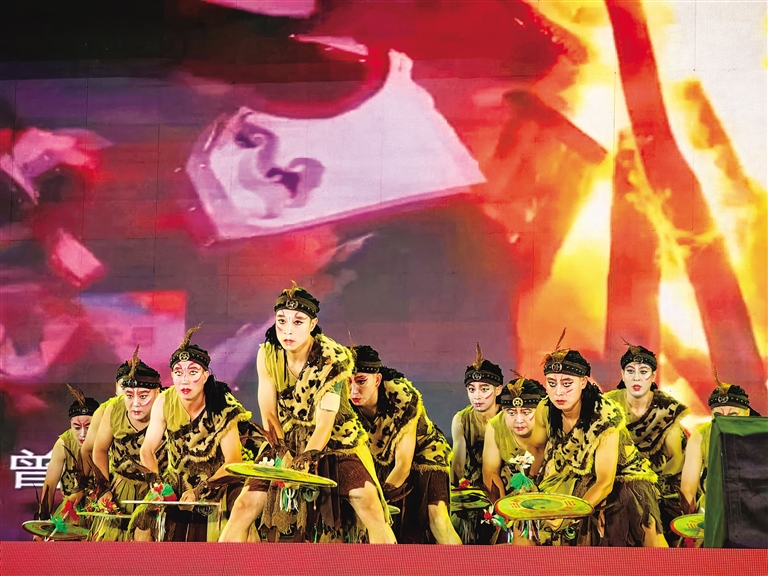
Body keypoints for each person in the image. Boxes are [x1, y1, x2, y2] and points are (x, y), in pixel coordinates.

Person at [220, 284, 396, 544]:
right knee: (244, 505)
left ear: (313, 324)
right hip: (285, 437)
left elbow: (325, 424)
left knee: (369, 504)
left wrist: (305, 459)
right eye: (281, 321)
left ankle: (390, 564)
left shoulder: (333, 359)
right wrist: (282, 452)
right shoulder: (267, 354)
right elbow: (268, 412)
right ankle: (220, 564)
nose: (288, 330)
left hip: (336, 439)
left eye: (298, 321)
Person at [527, 335, 666, 547]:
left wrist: (568, 515)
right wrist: (528, 483)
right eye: (552, 383)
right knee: (526, 520)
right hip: (572, 473)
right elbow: (537, 449)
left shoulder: (605, 416)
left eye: (567, 384)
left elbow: (605, 482)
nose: (558, 392)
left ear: (583, 382)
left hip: (623, 477)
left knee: (642, 519)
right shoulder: (545, 408)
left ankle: (666, 563)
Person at [134, 325, 251, 541]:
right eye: (179, 373)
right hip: (176, 480)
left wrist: (200, 489)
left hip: (218, 481)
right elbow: (147, 450)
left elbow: (233, 461)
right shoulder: (164, 401)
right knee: (142, 526)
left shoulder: (223, 404)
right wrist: (158, 486)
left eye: (193, 372)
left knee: (240, 525)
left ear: (205, 376)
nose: (185, 380)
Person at [349, 344, 460, 544]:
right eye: (348, 382)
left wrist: (379, 500)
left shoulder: (402, 398)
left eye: (361, 381)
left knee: (438, 518)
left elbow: (403, 465)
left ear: (377, 380)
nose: (353, 390)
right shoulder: (343, 401)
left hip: (426, 453)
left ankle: (463, 563)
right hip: (381, 459)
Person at [604, 342, 688, 545]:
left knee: (643, 499)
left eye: (643, 372)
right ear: (622, 374)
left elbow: (675, 459)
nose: (636, 378)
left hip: (658, 478)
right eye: (630, 371)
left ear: (653, 376)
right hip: (612, 474)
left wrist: (653, 486)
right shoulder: (607, 404)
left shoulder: (666, 408)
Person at [91, 349, 164, 541]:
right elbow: (99, 450)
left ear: (157, 392)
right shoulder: (114, 409)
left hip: (159, 488)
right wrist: (104, 488)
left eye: (143, 396)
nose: (135, 404)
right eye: (129, 395)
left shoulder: (169, 408)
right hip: (121, 488)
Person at [680, 372, 755, 515]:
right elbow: (688, 488)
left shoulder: (758, 434)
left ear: (747, 413)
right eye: (718, 416)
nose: (724, 421)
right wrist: (690, 517)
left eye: (733, 415)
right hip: (711, 512)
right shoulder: (700, 436)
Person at [39, 385, 100, 522]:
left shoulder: (108, 440)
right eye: (77, 427)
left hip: (103, 511)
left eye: (89, 427)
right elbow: (50, 485)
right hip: (71, 509)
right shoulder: (64, 443)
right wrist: (42, 520)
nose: (82, 434)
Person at [482, 375, 546, 502]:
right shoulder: (495, 427)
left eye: (526, 412)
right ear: (503, 411)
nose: (519, 420)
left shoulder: (550, 423)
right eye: (511, 413)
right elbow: (490, 472)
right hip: (511, 495)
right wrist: (501, 508)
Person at [451, 344, 503, 487]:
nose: (477, 396)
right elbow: (458, 466)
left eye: (484, 389)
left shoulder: (509, 417)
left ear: (498, 390)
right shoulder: (461, 420)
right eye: (472, 389)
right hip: (472, 486)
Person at [81, 363, 130, 476]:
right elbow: (87, 450)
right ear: (116, 387)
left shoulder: (156, 407)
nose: (128, 392)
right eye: (123, 386)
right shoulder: (104, 411)